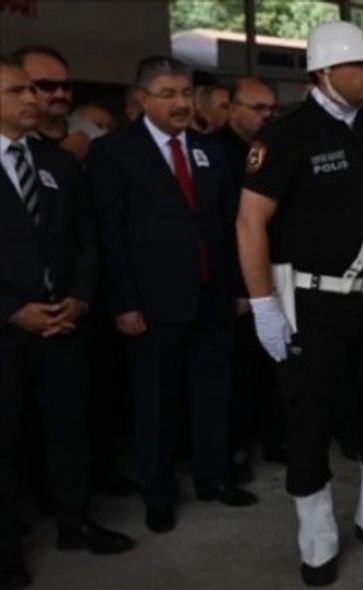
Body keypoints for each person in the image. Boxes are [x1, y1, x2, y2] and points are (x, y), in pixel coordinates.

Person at [238, 21, 363, 587]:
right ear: (324, 72)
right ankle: (317, 529)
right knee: (310, 415)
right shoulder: (287, 134)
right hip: (312, 301)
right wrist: (263, 303)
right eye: (359, 65)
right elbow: (250, 221)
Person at [89, 56, 257, 534]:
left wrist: (239, 287)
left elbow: (228, 222)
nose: (180, 103)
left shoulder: (209, 149)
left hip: (213, 295)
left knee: (213, 392)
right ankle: (159, 493)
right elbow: (109, 234)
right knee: (156, 403)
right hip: (152, 303)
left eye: (185, 93)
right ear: (142, 99)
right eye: (168, 95)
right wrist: (123, 302)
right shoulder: (114, 152)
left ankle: (214, 478)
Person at [1, 56, 135, 590]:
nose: (32, 99)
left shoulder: (53, 161)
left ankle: (75, 523)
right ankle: (6, 550)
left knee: (69, 429)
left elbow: (86, 238)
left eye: (32, 90)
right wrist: (13, 309)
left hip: (64, 322)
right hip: (8, 329)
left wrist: (79, 298)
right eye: (17, 91)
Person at [213, 76, 284, 476]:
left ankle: (275, 439)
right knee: (235, 374)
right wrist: (240, 288)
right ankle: (235, 449)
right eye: (258, 108)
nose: (266, 116)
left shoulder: (274, 148)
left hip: (276, 273)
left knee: (273, 367)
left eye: (271, 109)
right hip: (236, 282)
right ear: (231, 108)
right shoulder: (214, 152)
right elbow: (224, 227)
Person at [13, 46, 91, 163]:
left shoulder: (91, 132)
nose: (60, 94)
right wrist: (62, 158)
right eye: (47, 85)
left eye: (65, 86)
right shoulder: (8, 135)